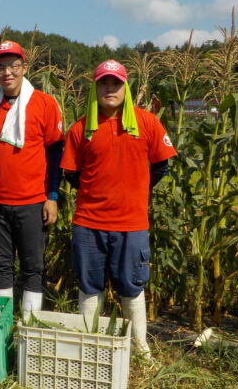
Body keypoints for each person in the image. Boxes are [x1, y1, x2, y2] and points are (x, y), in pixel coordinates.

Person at [60, 60, 177, 356]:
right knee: (89, 285)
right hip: (89, 223)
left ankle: (139, 348)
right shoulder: (81, 128)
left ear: (126, 87)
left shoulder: (147, 122)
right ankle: (90, 346)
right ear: (95, 88)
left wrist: (135, 189)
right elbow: (72, 173)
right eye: (103, 83)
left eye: (115, 83)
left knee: (132, 285)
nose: (109, 88)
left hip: (132, 224)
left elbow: (161, 166)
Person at [0, 41, 64, 320]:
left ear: (24, 68)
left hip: (33, 200)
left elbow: (56, 153)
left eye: (12, 66)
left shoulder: (45, 104)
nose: (6, 72)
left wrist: (52, 197)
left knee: (33, 266)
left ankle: (29, 323)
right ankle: (3, 324)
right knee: (0, 264)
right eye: (0, 67)